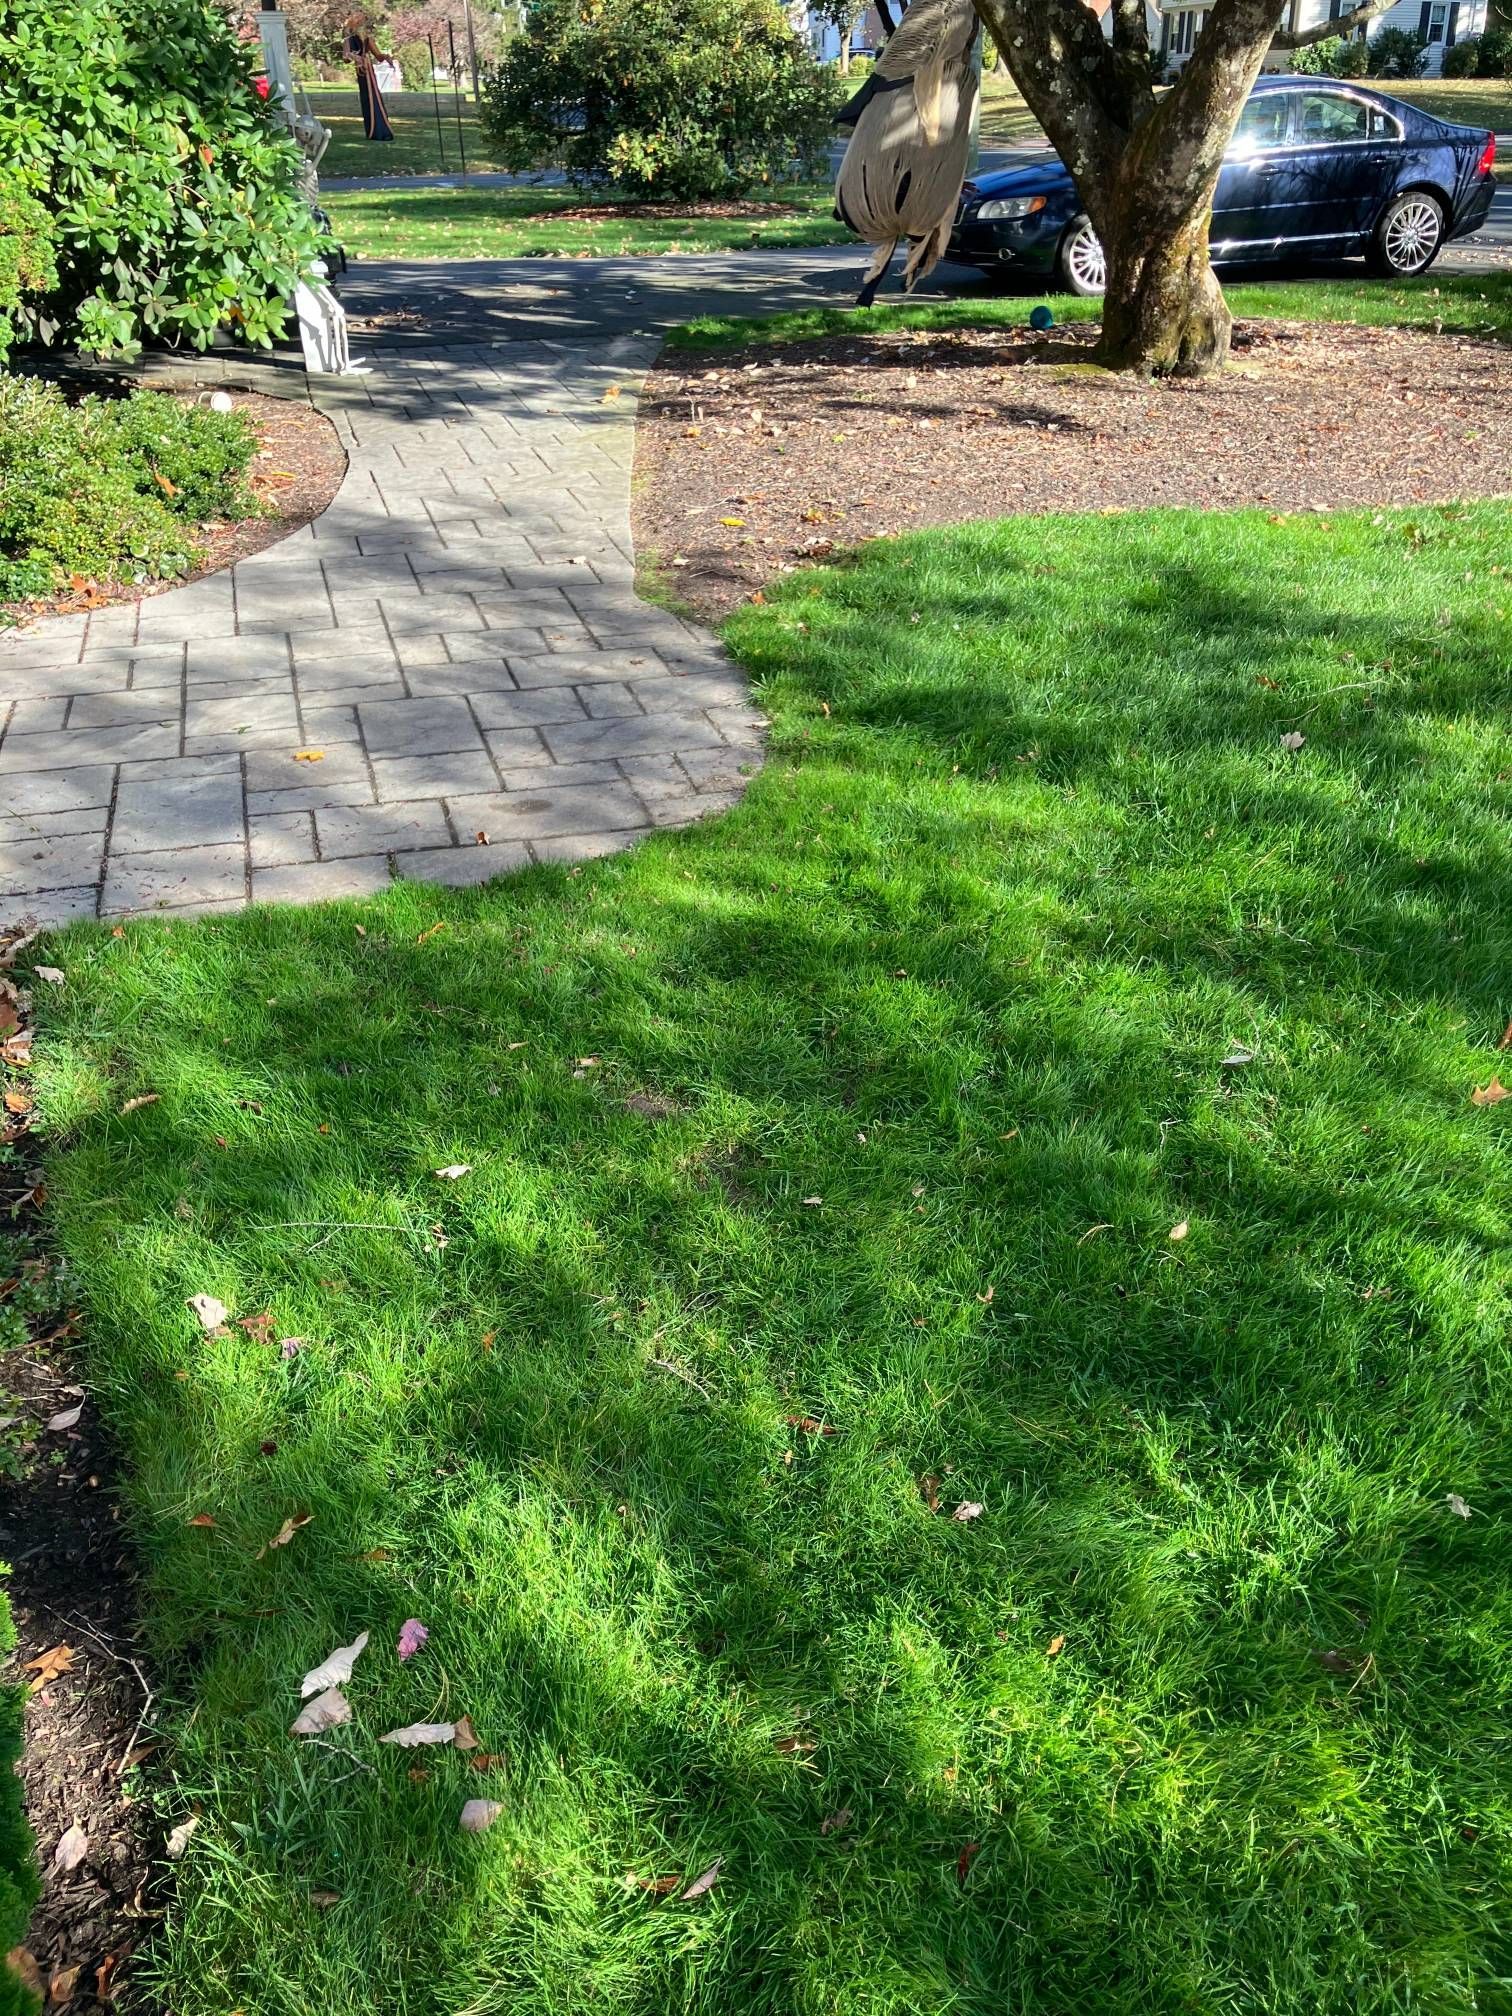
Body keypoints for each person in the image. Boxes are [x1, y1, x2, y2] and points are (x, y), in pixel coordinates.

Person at [343, 12, 395, 143]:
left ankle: (379, 129)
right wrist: (355, 57)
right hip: (362, 70)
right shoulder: (348, 39)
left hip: (369, 70)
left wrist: (386, 57)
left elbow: (378, 56)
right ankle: (374, 130)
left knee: (374, 97)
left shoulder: (367, 39)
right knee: (368, 98)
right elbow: (346, 57)